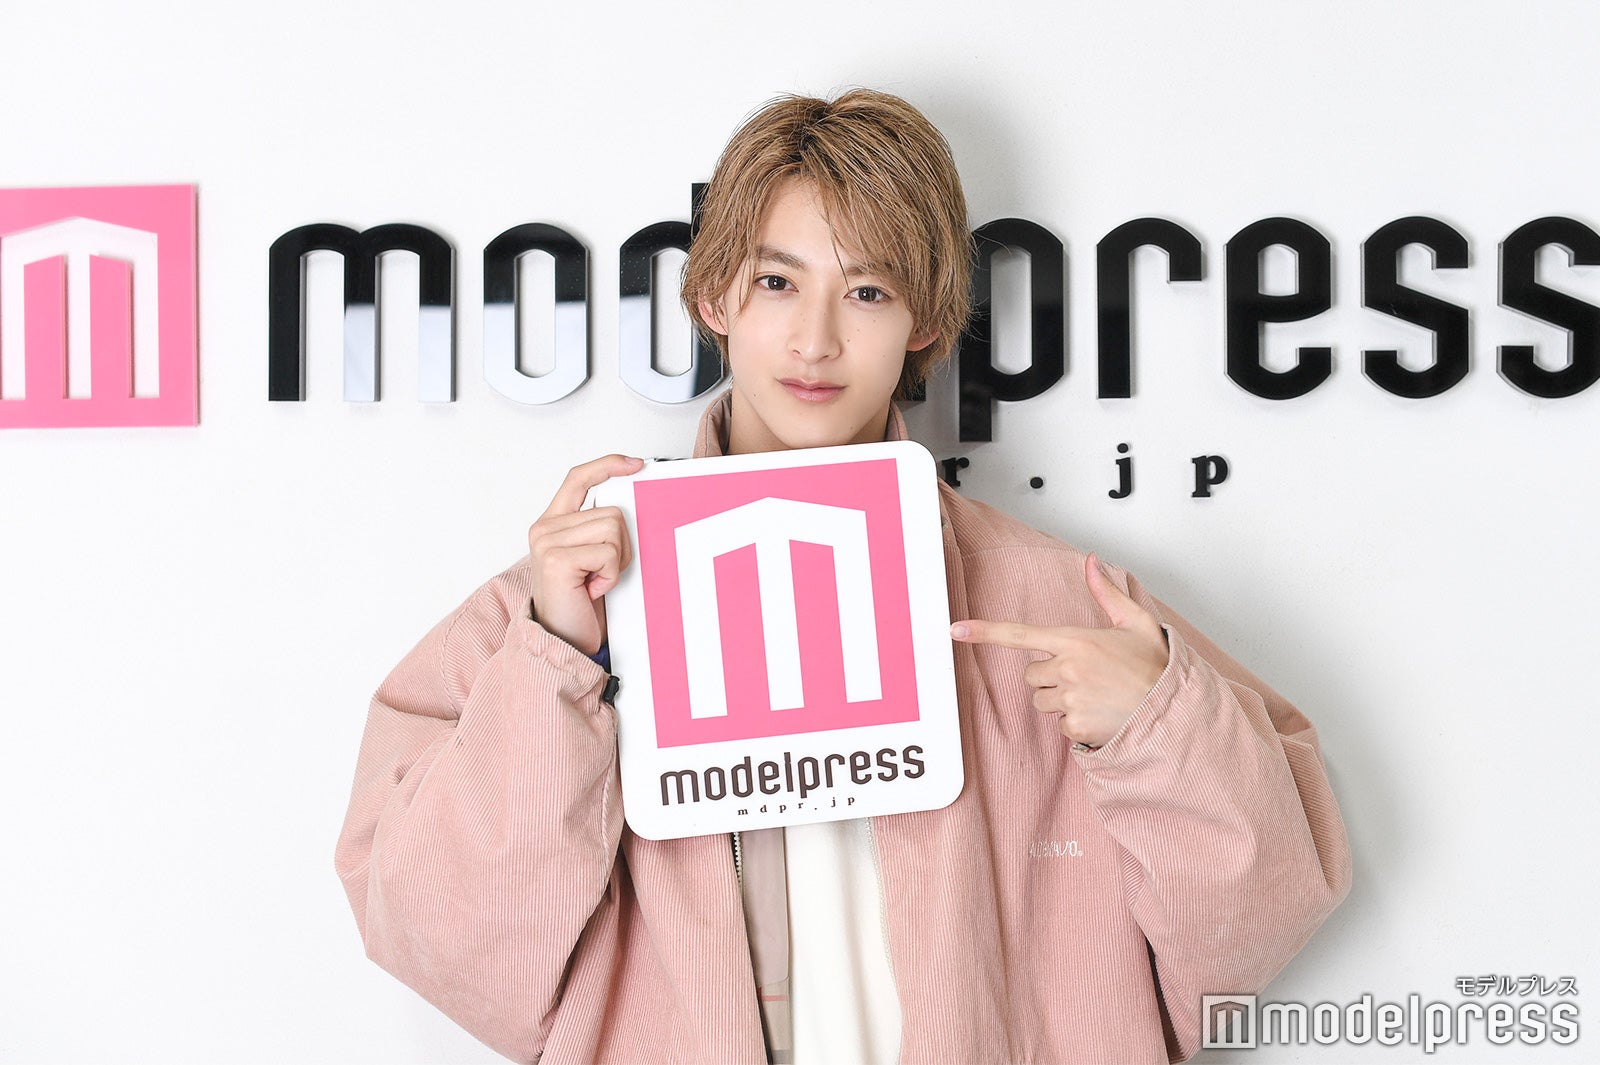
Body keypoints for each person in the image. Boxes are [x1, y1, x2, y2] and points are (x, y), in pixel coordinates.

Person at [335, 88, 1351, 1065]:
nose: (816, 340)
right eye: (777, 282)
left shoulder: (1054, 604)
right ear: (713, 296)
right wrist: (557, 661)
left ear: (924, 321)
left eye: (867, 291)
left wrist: (1155, 727)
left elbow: (1261, 911)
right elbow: (439, 940)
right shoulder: (560, 606)